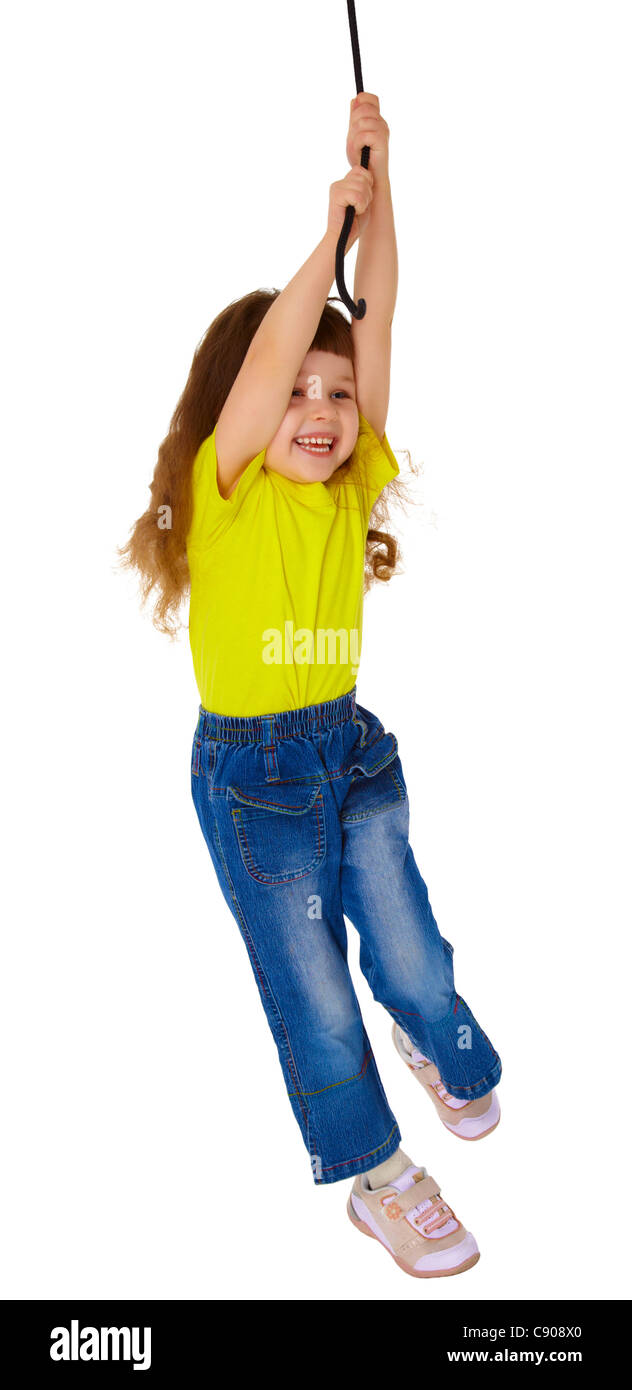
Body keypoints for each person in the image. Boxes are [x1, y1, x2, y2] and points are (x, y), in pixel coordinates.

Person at [121, 94, 501, 1279]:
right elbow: (289, 342)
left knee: (409, 948)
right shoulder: (224, 489)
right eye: (295, 390)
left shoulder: (343, 486)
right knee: (313, 992)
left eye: (336, 395)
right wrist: (316, 233)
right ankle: (378, 1178)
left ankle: (430, 1032)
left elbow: (370, 314)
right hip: (254, 779)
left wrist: (375, 192)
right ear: (242, 405)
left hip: (348, 748)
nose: (323, 410)